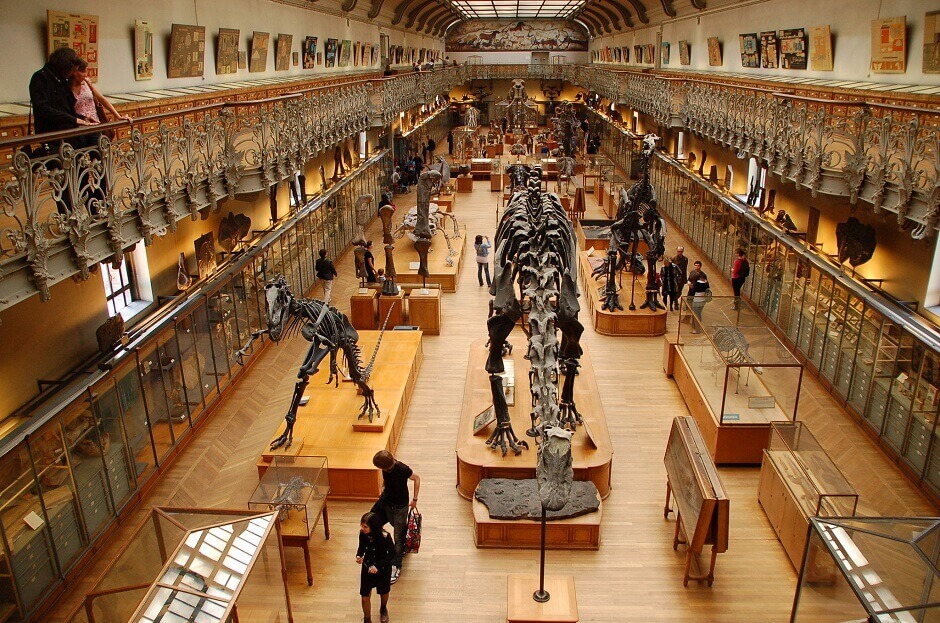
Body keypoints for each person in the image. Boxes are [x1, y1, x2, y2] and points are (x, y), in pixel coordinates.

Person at [372, 450, 420, 584]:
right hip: (386, 502)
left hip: (399, 506)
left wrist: (415, 499)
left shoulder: (402, 468)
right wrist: (382, 487)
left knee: (398, 535)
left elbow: (416, 478)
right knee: (372, 521)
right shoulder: (385, 468)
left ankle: (397, 564)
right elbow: (386, 480)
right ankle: (388, 548)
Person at [356, 511, 395, 623]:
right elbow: (361, 547)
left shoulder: (385, 536)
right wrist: (359, 556)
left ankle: (383, 608)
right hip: (367, 567)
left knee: (384, 591)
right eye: (362, 526)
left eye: (365, 526)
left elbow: (392, 553)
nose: (363, 529)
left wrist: (378, 566)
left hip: (382, 568)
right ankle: (367, 619)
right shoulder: (362, 534)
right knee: (364, 596)